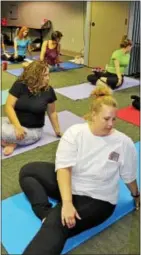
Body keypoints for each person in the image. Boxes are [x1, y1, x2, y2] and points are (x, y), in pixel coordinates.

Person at [19, 83, 140, 255]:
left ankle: (53, 221)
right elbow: (63, 168)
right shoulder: (75, 133)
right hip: (71, 183)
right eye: (106, 119)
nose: (111, 124)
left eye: (114, 119)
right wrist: (67, 203)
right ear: (93, 115)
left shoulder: (124, 143)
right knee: (28, 171)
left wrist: (136, 195)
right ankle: (45, 213)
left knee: (59, 222)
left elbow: (129, 176)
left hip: (98, 199)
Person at [2, 60, 62, 156]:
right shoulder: (19, 85)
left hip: (32, 131)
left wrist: (58, 131)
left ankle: (10, 142)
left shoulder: (48, 90)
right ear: (34, 76)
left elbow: (52, 112)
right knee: (7, 129)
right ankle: (10, 141)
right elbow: (9, 106)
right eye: (45, 75)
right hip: (14, 123)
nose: (48, 78)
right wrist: (17, 126)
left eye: (48, 75)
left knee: (7, 133)